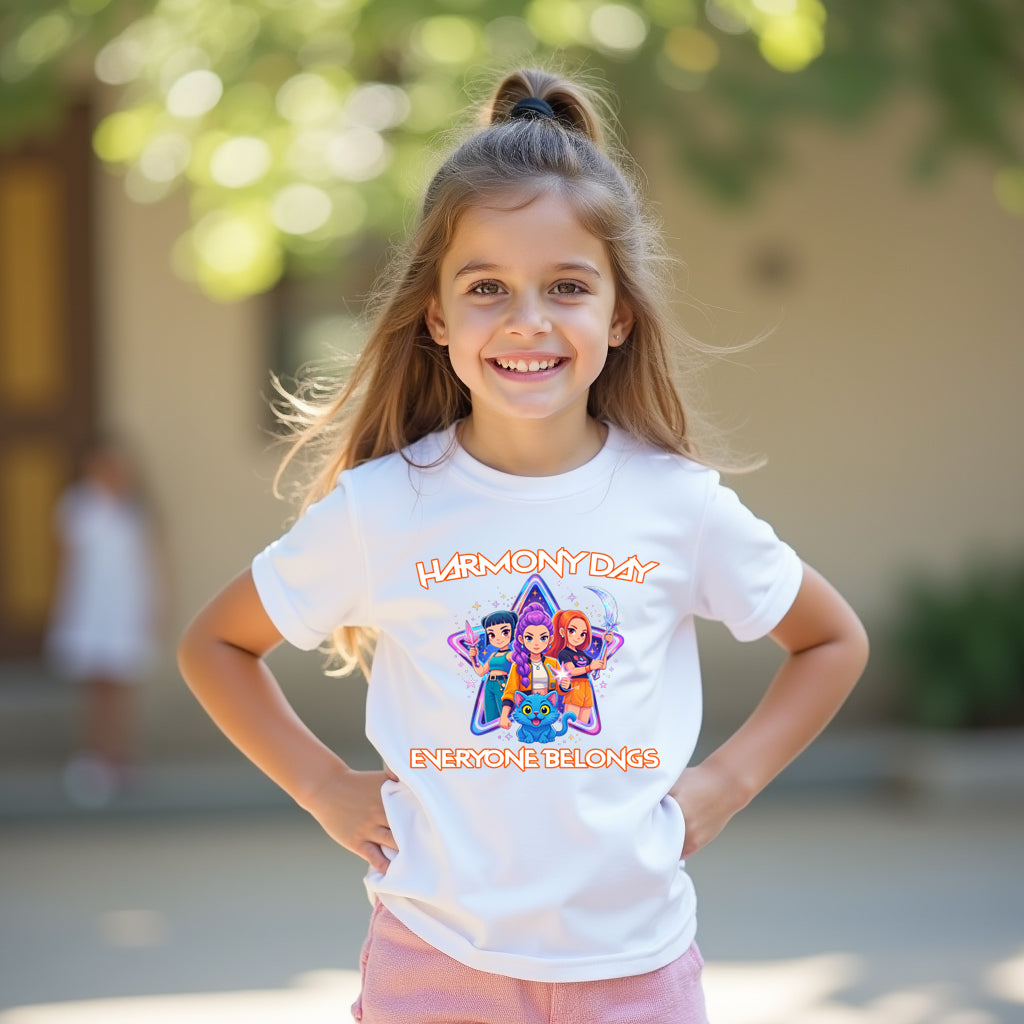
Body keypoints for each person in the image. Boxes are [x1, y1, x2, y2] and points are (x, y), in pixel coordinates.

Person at [178, 67, 869, 1024]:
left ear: (618, 315)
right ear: (438, 316)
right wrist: (322, 786)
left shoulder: (679, 505)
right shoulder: (384, 507)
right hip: (434, 962)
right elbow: (215, 643)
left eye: (568, 287)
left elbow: (832, 640)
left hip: (639, 966)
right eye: (488, 287)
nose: (527, 319)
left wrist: (727, 784)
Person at [47, 439, 164, 807]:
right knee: (96, 688)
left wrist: (156, 605)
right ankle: (93, 760)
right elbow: (65, 563)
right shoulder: (77, 507)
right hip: (89, 609)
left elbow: (152, 563)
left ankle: (121, 759)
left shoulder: (136, 511)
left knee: (121, 688)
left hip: (124, 609)